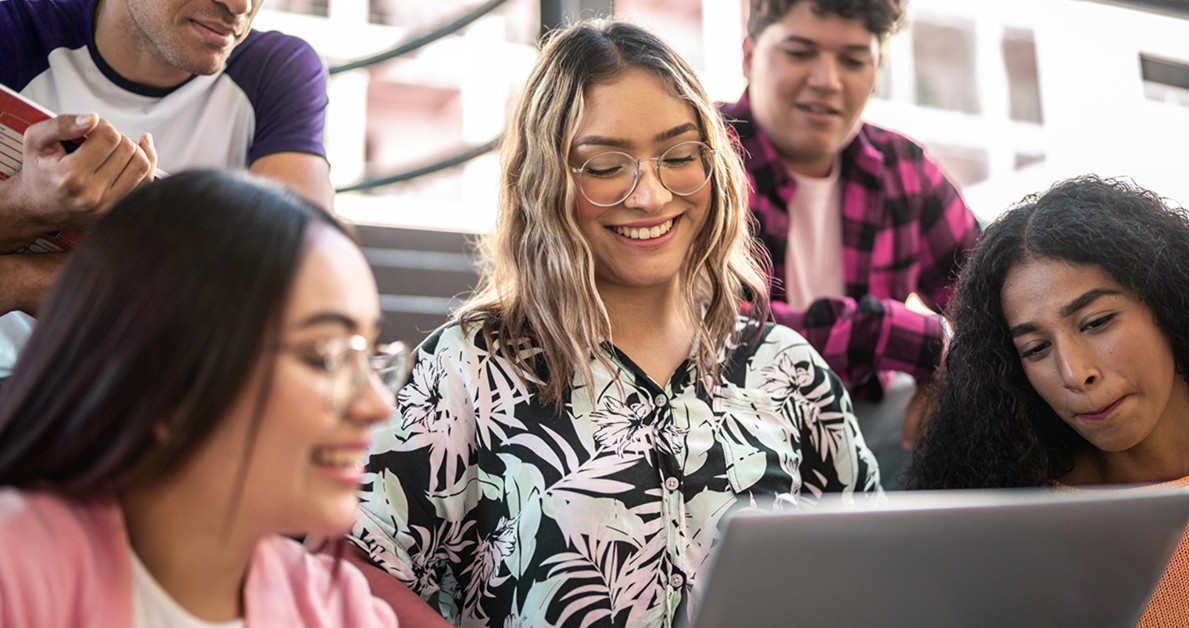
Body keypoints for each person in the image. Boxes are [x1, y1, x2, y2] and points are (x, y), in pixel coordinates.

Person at [347, 19, 880, 627]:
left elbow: (877, 570)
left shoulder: (788, 368)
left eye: (679, 156)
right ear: (544, 183)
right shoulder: (470, 367)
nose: (650, 196)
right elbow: (357, 564)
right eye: (604, 167)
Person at [0, 171, 398, 626]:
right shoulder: (15, 576)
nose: (378, 404)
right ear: (168, 381)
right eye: (327, 357)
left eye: (371, 357)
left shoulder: (345, 612)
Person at [907, 175, 1189, 625]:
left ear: (1168, 301)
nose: (1074, 373)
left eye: (1096, 322)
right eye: (1036, 349)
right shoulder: (1013, 526)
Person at [721, 0, 983, 488]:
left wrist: (951, 372)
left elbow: (996, 301)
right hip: (726, 425)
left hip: (865, 425)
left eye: (853, 60)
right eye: (800, 52)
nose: (827, 80)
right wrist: (891, 334)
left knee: (978, 412)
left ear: (877, 70)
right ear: (749, 55)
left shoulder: (903, 170)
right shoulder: (697, 158)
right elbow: (715, 329)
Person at [0, 0, 333, 379]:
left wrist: (22, 280)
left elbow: (309, 289)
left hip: (173, 399)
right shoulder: (13, 30)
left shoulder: (275, 69)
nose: (240, 5)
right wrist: (27, 205)